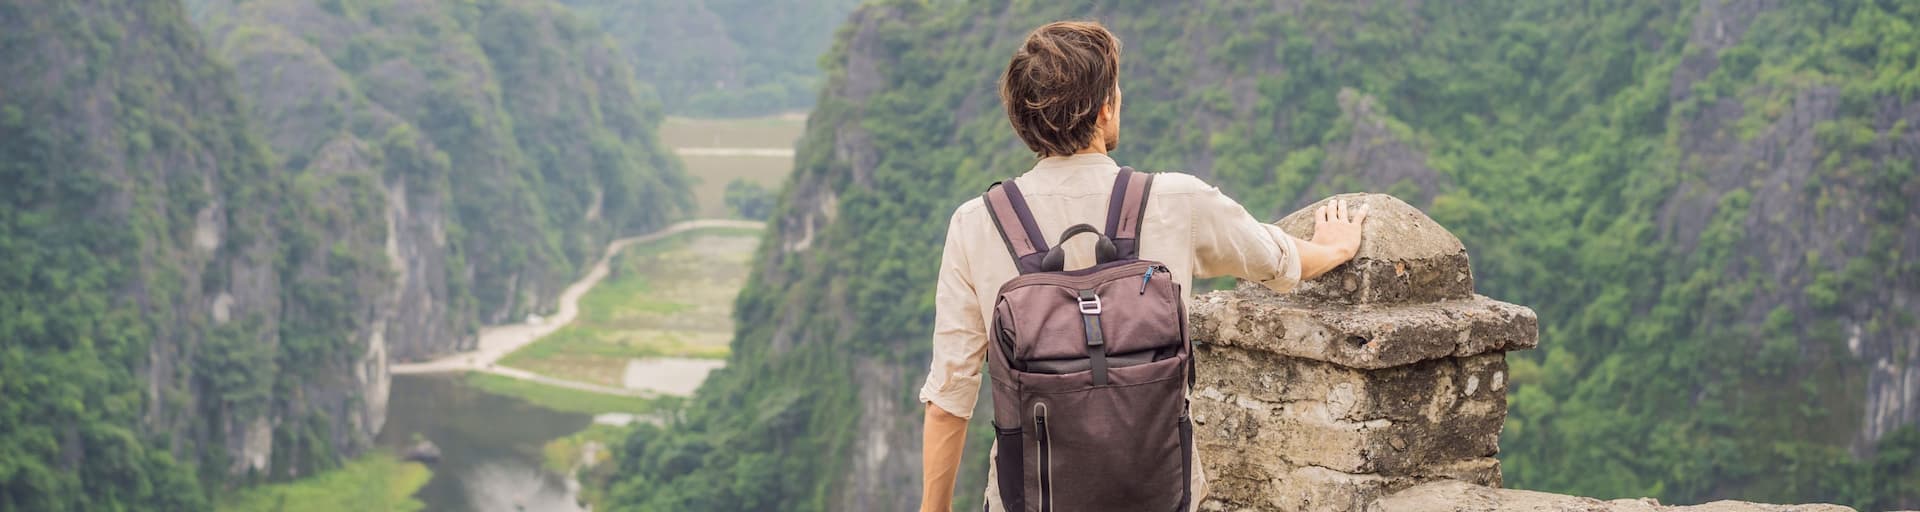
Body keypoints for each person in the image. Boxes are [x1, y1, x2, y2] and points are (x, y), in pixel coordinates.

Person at [917, 20, 1371, 512]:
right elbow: (1275, 259)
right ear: (1104, 108)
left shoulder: (976, 224)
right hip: (1163, 496)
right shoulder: (1177, 200)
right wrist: (1335, 249)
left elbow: (949, 400)